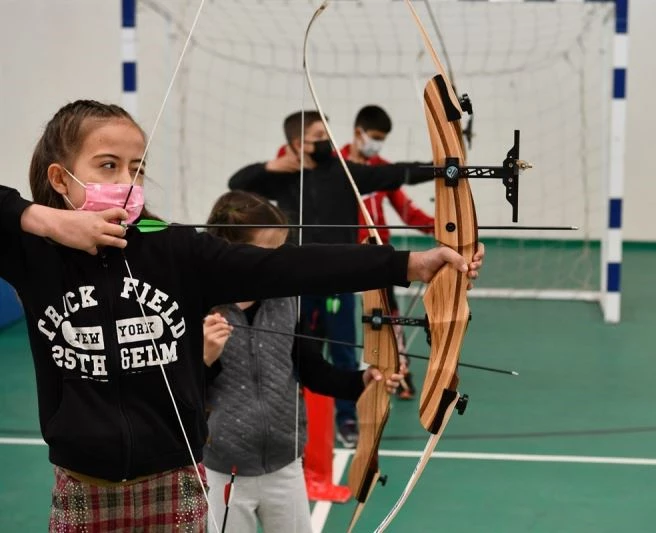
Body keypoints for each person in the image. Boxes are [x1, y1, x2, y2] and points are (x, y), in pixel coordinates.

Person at [0, 99, 484, 532]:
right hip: (83, 484)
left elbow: (287, 265)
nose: (127, 184)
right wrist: (44, 219)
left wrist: (408, 263)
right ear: (61, 178)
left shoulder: (170, 248)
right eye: (108, 166)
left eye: (137, 168)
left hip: (176, 479)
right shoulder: (35, 253)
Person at [201, 190, 404, 533]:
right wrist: (204, 357)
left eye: (281, 251)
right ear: (230, 250)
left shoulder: (285, 298)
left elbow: (308, 367)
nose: (277, 262)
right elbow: (177, 390)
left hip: (285, 464)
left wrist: (360, 383)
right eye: (267, 253)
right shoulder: (199, 304)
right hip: (222, 469)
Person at [229, 110, 432, 447]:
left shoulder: (342, 172)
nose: (327, 143)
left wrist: (443, 170)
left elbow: (392, 175)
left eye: (327, 136)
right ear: (298, 144)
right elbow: (237, 185)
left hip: (339, 281)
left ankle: (347, 417)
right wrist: (270, 167)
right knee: (297, 353)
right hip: (295, 283)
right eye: (319, 138)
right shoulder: (282, 177)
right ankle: (297, 422)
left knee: (344, 352)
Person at [342, 105, 436, 400]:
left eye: (382, 138)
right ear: (359, 133)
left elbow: (406, 210)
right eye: (375, 136)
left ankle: (401, 372)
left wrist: (440, 227)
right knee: (331, 317)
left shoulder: (382, 169)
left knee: (387, 313)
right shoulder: (337, 164)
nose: (377, 143)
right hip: (342, 254)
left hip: (377, 255)